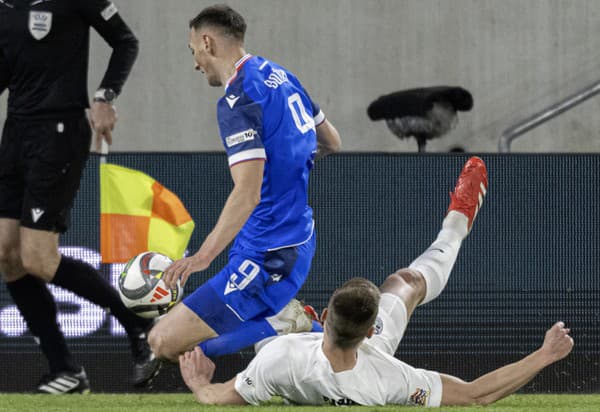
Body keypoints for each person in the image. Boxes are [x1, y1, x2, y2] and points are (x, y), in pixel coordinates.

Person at [178, 157, 575, 407]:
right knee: (407, 282)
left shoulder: (279, 360)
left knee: (267, 313)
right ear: (371, 331)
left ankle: (297, 320)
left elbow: (216, 397)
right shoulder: (388, 378)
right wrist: (544, 355)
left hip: (294, 357)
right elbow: (476, 395)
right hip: (357, 364)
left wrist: (198, 384)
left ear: (330, 312)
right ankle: (456, 223)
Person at [149, 5, 341, 361]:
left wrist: (201, 257)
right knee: (177, 342)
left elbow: (248, 192)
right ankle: (286, 326)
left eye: (193, 51)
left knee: (162, 343)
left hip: (271, 252)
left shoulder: (237, 100)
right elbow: (331, 141)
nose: (195, 63)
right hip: (283, 237)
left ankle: (287, 323)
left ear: (206, 42)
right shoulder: (282, 76)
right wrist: (288, 165)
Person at [0, 0, 159, 393]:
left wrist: (104, 96)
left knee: (37, 257)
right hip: (16, 131)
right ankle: (64, 370)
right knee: (7, 255)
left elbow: (125, 41)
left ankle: (136, 322)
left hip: (60, 130)